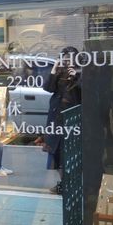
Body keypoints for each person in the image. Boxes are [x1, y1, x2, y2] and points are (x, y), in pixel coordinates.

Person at [43, 46, 81, 193]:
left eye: (70, 59)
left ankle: (70, 184)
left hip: (71, 118)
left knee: (70, 152)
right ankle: (64, 183)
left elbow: (86, 92)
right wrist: (54, 69)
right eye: (64, 59)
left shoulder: (81, 72)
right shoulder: (59, 72)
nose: (67, 62)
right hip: (56, 117)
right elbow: (48, 88)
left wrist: (77, 76)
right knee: (57, 152)